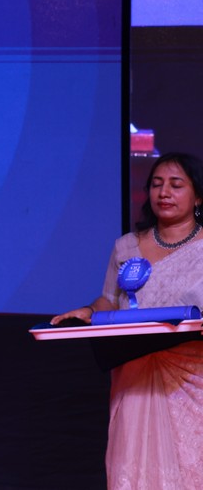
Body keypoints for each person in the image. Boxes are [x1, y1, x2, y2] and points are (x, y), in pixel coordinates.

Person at [51, 152, 203, 489]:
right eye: (157, 184)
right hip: (134, 371)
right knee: (135, 465)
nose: (164, 192)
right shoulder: (127, 247)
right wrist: (89, 311)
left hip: (191, 377)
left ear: (198, 197)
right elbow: (110, 299)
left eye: (176, 185)